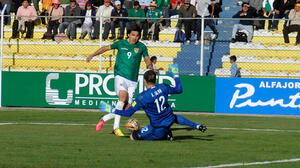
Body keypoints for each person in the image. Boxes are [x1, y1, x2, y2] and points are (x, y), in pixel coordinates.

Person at [101, 66, 207, 141]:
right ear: (155, 80)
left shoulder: (142, 97)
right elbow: (179, 89)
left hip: (157, 127)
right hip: (169, 119)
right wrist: (175, 74)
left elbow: (128, 113)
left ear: (145, 81)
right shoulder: (163, 87)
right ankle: (196, 126)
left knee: (133, 137)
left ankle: (165, 135)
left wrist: (111, 109)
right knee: (173, 117)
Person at [86, 24, 153, 136]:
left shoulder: (141, 47)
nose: (135, 38)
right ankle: (116, 128)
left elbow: (147, 59)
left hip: (133, 81)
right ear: (128, 35)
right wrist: (92, 55)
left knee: (126, 110)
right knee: (122, 98)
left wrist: (149, 66)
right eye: (133, 35)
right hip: (120, 76)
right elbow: (105, 48)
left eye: (137, 35)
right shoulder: (121, 43)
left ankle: (104, 118)